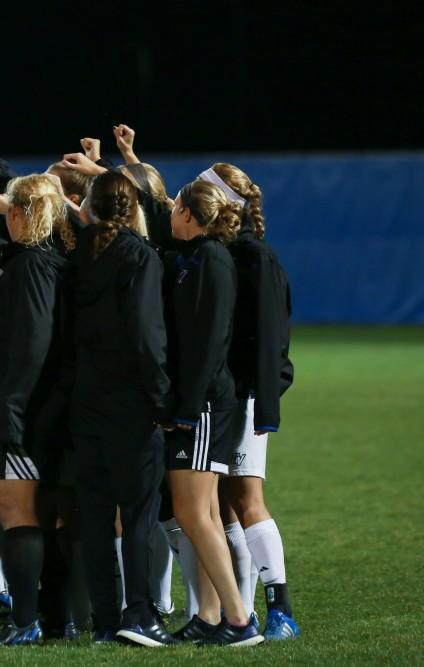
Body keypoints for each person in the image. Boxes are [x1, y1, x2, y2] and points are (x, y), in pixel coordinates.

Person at [70, 171, 173, 646]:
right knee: (137, 516)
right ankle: (141, 614)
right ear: (132, 209)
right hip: (130, 405)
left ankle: (106, 621)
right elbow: (147, 337)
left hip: (85, 403)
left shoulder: (78, 256)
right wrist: (160, 398)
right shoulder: (138, 256)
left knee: (94, 516)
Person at [163, 179, 263, 647]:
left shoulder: (213, 261)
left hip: (203, 404)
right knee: (196, 513)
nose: (170, 212)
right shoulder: (196, 257)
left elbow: (208, 342)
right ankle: (208, 614)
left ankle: (239, 620)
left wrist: (186, 406)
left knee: (193, 511)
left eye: (175, 206)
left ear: (188, 214)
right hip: (197, 400)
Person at [0, 174, 70, 646]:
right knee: (38, 517)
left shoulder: (31, 265)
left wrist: (10, 406)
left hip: (24, 412)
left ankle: (27, 622)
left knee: (18, 516)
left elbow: (34, 341)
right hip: (39, 407)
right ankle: (54, 619)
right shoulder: (40, 259)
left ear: (18, 214)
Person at [206, 163, 299, 640]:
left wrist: (266, 408)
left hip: (243, 397)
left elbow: (269, 341)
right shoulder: (221, 250)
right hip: (221, 398)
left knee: (247, 499)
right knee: (221, 504)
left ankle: (280, 607)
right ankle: (239, 611)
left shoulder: (254, 257)